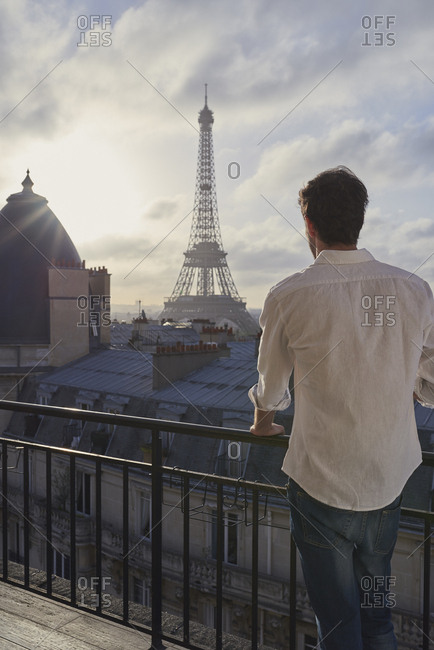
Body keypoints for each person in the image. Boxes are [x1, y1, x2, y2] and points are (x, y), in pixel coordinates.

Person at [248, 166, 434, 650]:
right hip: (387, 484)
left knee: (338, 624)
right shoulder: (414, 291)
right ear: (361, 221)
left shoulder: (289, 295)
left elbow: (271, 386)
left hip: (320, 488)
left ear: (309, 227)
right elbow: (430, 376)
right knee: (378, 618)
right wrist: (413, 386)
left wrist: (263, 420)